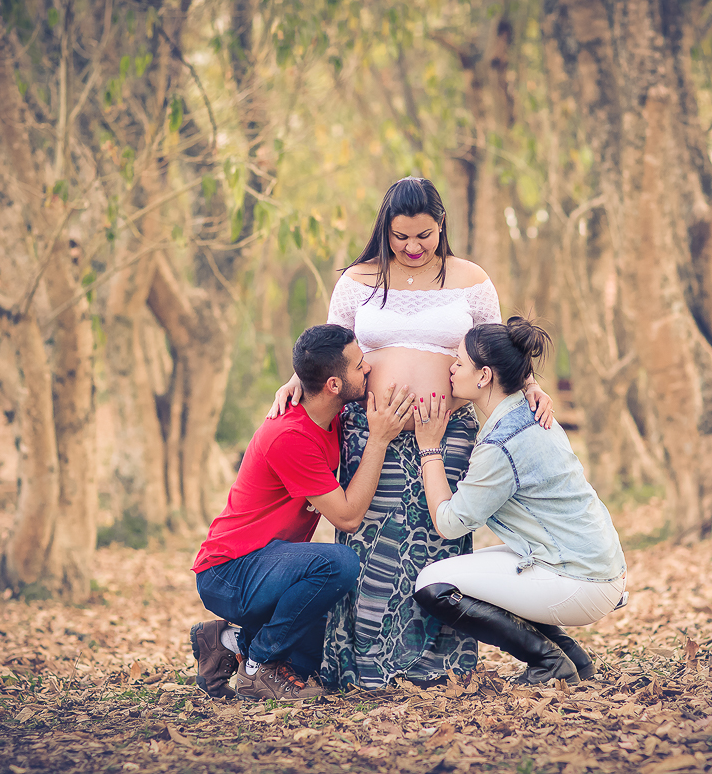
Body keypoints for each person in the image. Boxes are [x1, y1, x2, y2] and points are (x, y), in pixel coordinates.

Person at [268, 177, 554, 690]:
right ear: (386, 230)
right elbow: (331, 348)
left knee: (436, 542)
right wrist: (295, 382)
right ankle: (364, 668)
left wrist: (530, 385)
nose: (413, 247)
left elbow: (494, 347)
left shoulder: (471, 279)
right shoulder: (359, 279)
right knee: (374, 548)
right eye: (401, 237)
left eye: (424, 235)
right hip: (370, 431)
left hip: (446, 435)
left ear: (441, 227)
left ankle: (437, 667)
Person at [189, 324, 416, 701]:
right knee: (339, 563)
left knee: (314, 661)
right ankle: (257, 666)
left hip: (269, 565)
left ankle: (226, 641)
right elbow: (346, 518)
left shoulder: (327, 416)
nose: (369, 369)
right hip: (229, 571)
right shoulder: (290, 436)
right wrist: (378, 439)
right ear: (333, 385)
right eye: (360, 366)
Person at [411, 317, 627, 685]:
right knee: (469, 572)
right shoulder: (526, 411)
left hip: (579, 578)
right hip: (595, 567)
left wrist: (429, 448)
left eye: (459, 362)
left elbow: (449, 524)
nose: (451, 368)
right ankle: (572, 658)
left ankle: (549, 663)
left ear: (483, 376)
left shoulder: (502, 442)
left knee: (433, 586)